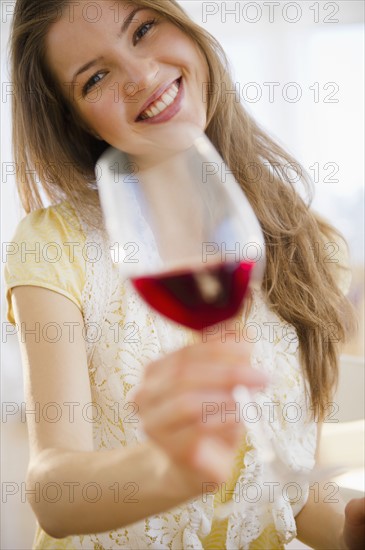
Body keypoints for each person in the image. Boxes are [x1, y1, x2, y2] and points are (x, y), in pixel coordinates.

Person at [5, 0, 364, 548]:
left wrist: (351, 530)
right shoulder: (55, 244)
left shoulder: (303, 242)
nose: (141, 75)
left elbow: (290, 495)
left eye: (144, 30)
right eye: (95, 76)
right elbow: (52, 489)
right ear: (73, 118)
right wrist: (170, 471)